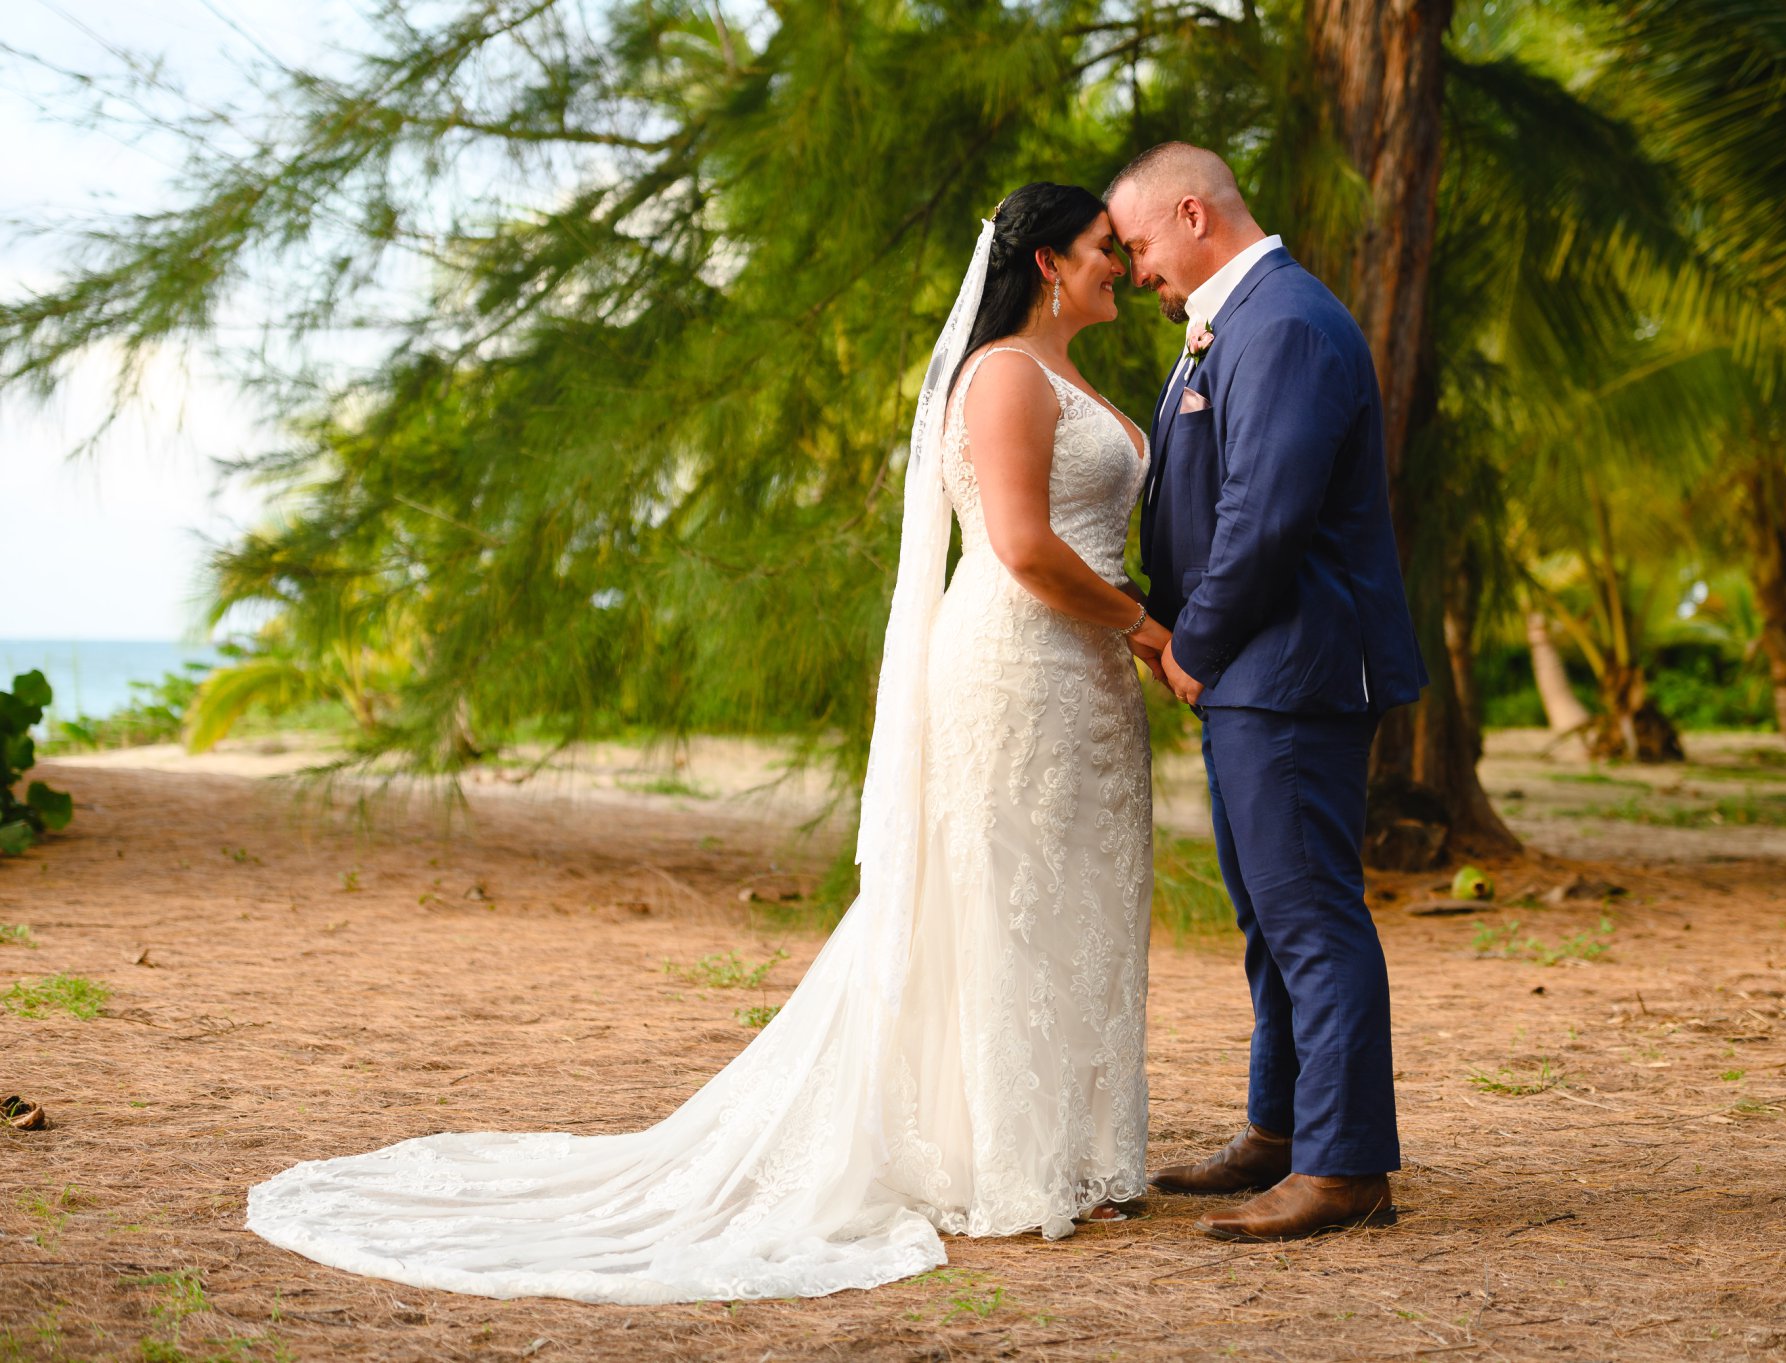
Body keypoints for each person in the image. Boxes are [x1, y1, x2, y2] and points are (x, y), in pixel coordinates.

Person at [245, 182, 1165, 1303]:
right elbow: (1019, 544)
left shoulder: (1073, 379)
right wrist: (1142, 625)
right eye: (1103, 247)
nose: (1122, 266)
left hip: (1083, 677)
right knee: (1000, 896)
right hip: (1018, 665)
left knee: (1075, 896)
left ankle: (1070, 1149)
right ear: (1048, 263)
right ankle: (1013, 1163)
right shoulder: (1007, 375)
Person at [1105, 142, 1426, 1242]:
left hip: (1291, 668)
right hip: (1257, 670)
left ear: (1192, 214)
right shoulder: (1233, 319)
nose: (1135, 269)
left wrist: (1189, 643)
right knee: (1267, 916)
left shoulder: (1284, 321)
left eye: (1138, 244)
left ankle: (1344, 1167)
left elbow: (1264, 512)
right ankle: (1279, 1130)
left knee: (1310, 914)